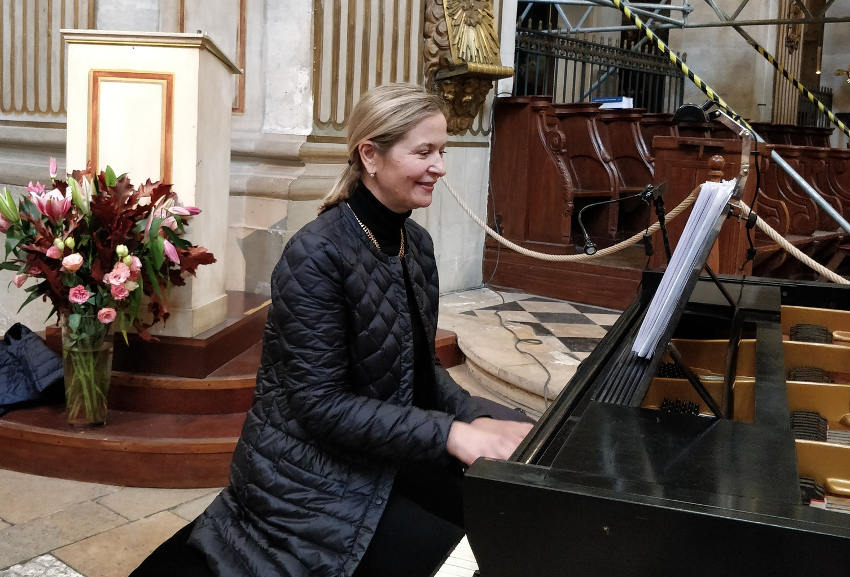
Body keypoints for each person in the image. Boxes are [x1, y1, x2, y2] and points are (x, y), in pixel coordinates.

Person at [131, 82, 533, 577]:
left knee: (510, 515)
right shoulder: (316, 254)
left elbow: (420, 369)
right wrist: (450, 434)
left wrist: (476, 416)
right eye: (424, 152)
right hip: (307, 475)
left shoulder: (416, 243)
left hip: (381, 448)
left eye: (442, 151)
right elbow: (320, 405)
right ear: (371, 155)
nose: (441, 167)